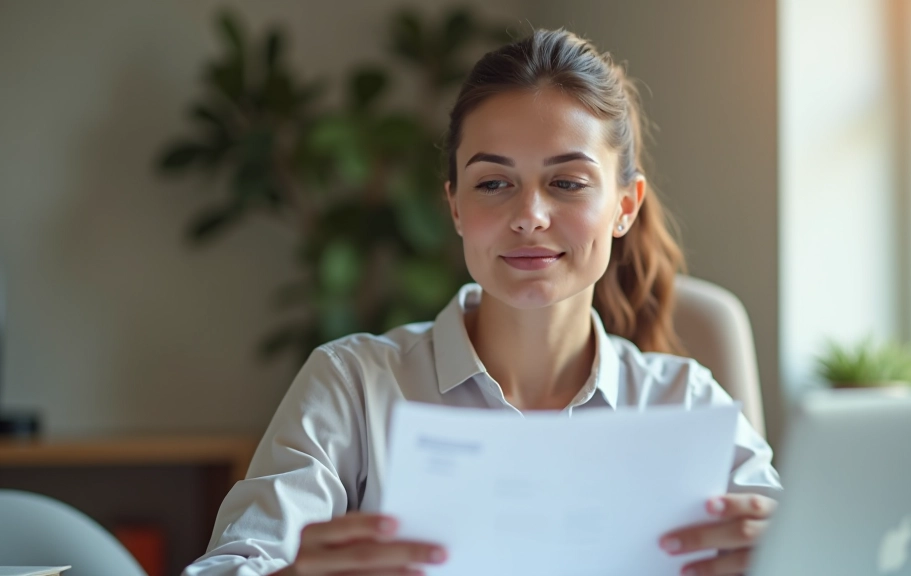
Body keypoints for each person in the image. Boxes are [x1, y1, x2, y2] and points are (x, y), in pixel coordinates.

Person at [184, 27, 781, 576]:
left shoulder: (685, 402)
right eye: (494, 183)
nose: (529, 216)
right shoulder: (354, 385)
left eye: (567, 182)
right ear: (455, 208)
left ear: (625, 206)